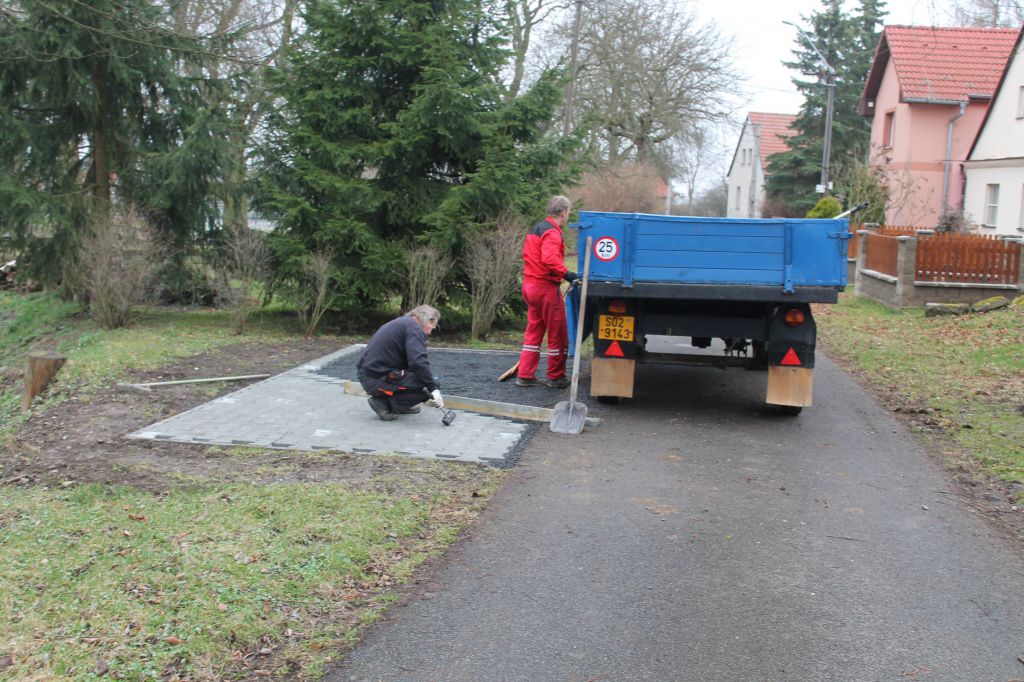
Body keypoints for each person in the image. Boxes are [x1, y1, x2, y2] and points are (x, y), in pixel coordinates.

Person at [516, 195, 578, 389]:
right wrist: (568, 274)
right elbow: (549, 258)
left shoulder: (537, 228)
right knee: (558, 333)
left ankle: (525, 375)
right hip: (545, 288)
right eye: (568, 212)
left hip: (530, 286)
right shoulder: (552, 232)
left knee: (534, 331)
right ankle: (556, 376)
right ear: (563, 212)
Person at [357, 305, 445, 421]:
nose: (430, 332)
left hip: (370, 375)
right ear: (429, 320)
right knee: (432, 383)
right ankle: (384, 404)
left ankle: (398, 405)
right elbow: (418, 362)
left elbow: (411, 361)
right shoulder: (415, 329)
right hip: (378, 379)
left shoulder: (403, 323)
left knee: (424, 378)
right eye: (433, 326)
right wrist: (433, 389)